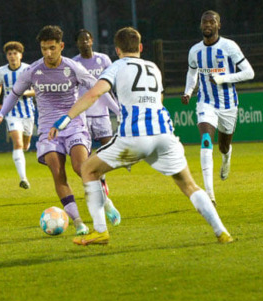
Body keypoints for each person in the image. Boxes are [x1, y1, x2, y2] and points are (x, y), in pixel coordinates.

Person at [50, 27, 233, 245]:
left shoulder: (117, 66)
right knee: (189, 185)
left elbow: (94, 93)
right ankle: (222, 232)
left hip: (135, 135)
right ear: (141, 47)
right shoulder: (153, 67)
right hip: (164, 134)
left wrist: (66, 119)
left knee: (88, 169)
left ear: (117, 50)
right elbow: (159, 98)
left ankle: (100, 231)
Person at [0, 25, 121, 235]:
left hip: (74, 126)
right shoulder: (32, 70)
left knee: (81, 168)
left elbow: (98, 90)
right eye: (44, 49)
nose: (48, 53)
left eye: (52, 48)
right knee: (58, 173)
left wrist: (118, 111)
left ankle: (106, 202)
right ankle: (78, 223)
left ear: (61, 46)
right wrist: (1, 114)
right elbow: (14, 94)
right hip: (48, 131)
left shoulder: (73, 68)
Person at [182, 10, 254, 205]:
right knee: (206, 140)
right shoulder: (195, 51)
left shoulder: (229, 46)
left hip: (228, 104)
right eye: (204, 22)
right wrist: (188, 92)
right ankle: (209, 194)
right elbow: (192, 73)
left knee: (223, 146)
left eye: (211, 22)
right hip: (205, 102)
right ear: (200, 25)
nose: (207, 25)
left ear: (218, 25)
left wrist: (223, 78)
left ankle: (226, 157)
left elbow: (249, 73)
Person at [72, 28, 120, 219]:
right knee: (86, 155)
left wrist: (117, 108)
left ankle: (102, 177)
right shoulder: (74, 63)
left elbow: (110, 86)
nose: (84, 42)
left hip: (102, 114)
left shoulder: (103, 60)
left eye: (87, 39)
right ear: (77, 43)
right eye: (81, 40)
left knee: (108, 149)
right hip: (83, 116)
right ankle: (98, 182)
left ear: (92, 41)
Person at [0, 41, 36, 189]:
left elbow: (37, 89)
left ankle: (24, 149)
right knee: (17, 143)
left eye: (15, 53)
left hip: (28, 112)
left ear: (20, 55)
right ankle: (23, 179)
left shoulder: (28, 69)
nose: (12, 56)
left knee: (25, 145)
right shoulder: (1, 71)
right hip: (11, 112)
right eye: (9, 54)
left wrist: (25, 92)